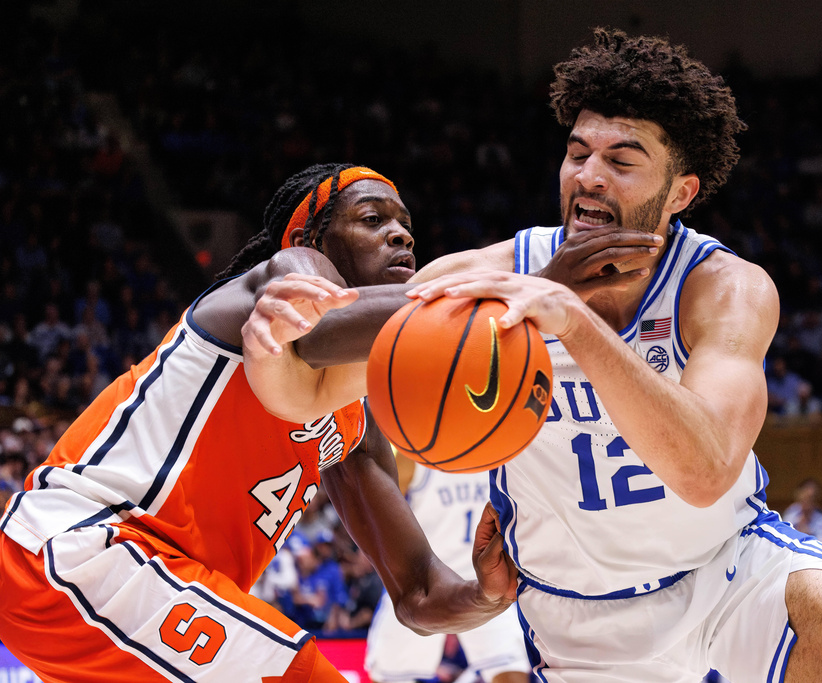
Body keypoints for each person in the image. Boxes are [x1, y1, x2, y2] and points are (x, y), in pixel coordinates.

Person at [251, 29, 822, 681]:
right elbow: (318, 349)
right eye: (579, 152)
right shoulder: (494, 278)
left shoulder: (723, 289)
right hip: (577, 620)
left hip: (727, 573)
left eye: (622, 159)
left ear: (681, 192)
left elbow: (705, 470)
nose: (589, 175)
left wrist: (577, 325)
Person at [0, 163, 516, 682]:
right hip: (85, 545)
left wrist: (487, 593)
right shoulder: (281, 278)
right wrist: (523, 288)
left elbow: (420, 596)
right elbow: (320, 325)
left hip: (146, 588)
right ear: (308, 236)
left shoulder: (358, 420)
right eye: (371, 218)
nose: (400, 233)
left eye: (404, 223)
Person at [363, 453, 531, 683]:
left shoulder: (502, 453)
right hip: (426, 578)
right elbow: (377, 506)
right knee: (393, 676)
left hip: (480, 578)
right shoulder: (415, 454)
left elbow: (374, 512)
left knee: (510, 669)